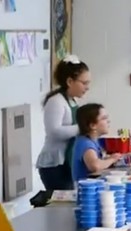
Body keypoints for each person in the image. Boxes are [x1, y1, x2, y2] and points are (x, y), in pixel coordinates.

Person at [35, 55, 90, 192]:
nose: (87, 87)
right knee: (61, 205)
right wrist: (82, 128)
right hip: (54, 165)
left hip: (67, 162)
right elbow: (53, 131)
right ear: (70, 81)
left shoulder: (72, 100)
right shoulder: (56, 101)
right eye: (84, 83)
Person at [70, 104, 123, 182]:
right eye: (104, 118)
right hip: (87, 190)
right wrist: (112, 159)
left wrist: (108, 159)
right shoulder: (85, 143)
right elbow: (95, 166)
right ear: (92, 125)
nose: (108, 121)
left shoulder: (92, 141)